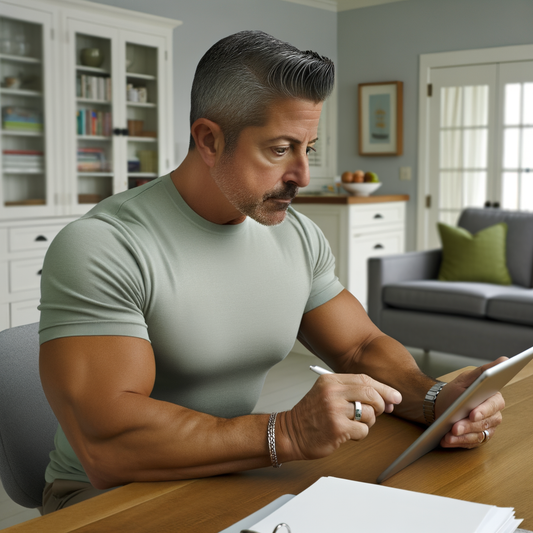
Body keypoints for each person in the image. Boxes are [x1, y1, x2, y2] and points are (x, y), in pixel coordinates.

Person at [38, 30, 505, 514]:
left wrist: (435, 399)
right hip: (107, 498)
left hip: (233, 473)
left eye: (310, 148)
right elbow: (106, 449)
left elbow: (358, 346)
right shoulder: (104, 245)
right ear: (209, 140)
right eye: (280, 150)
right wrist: (286, 431)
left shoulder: (297, 235)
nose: (303, 175)